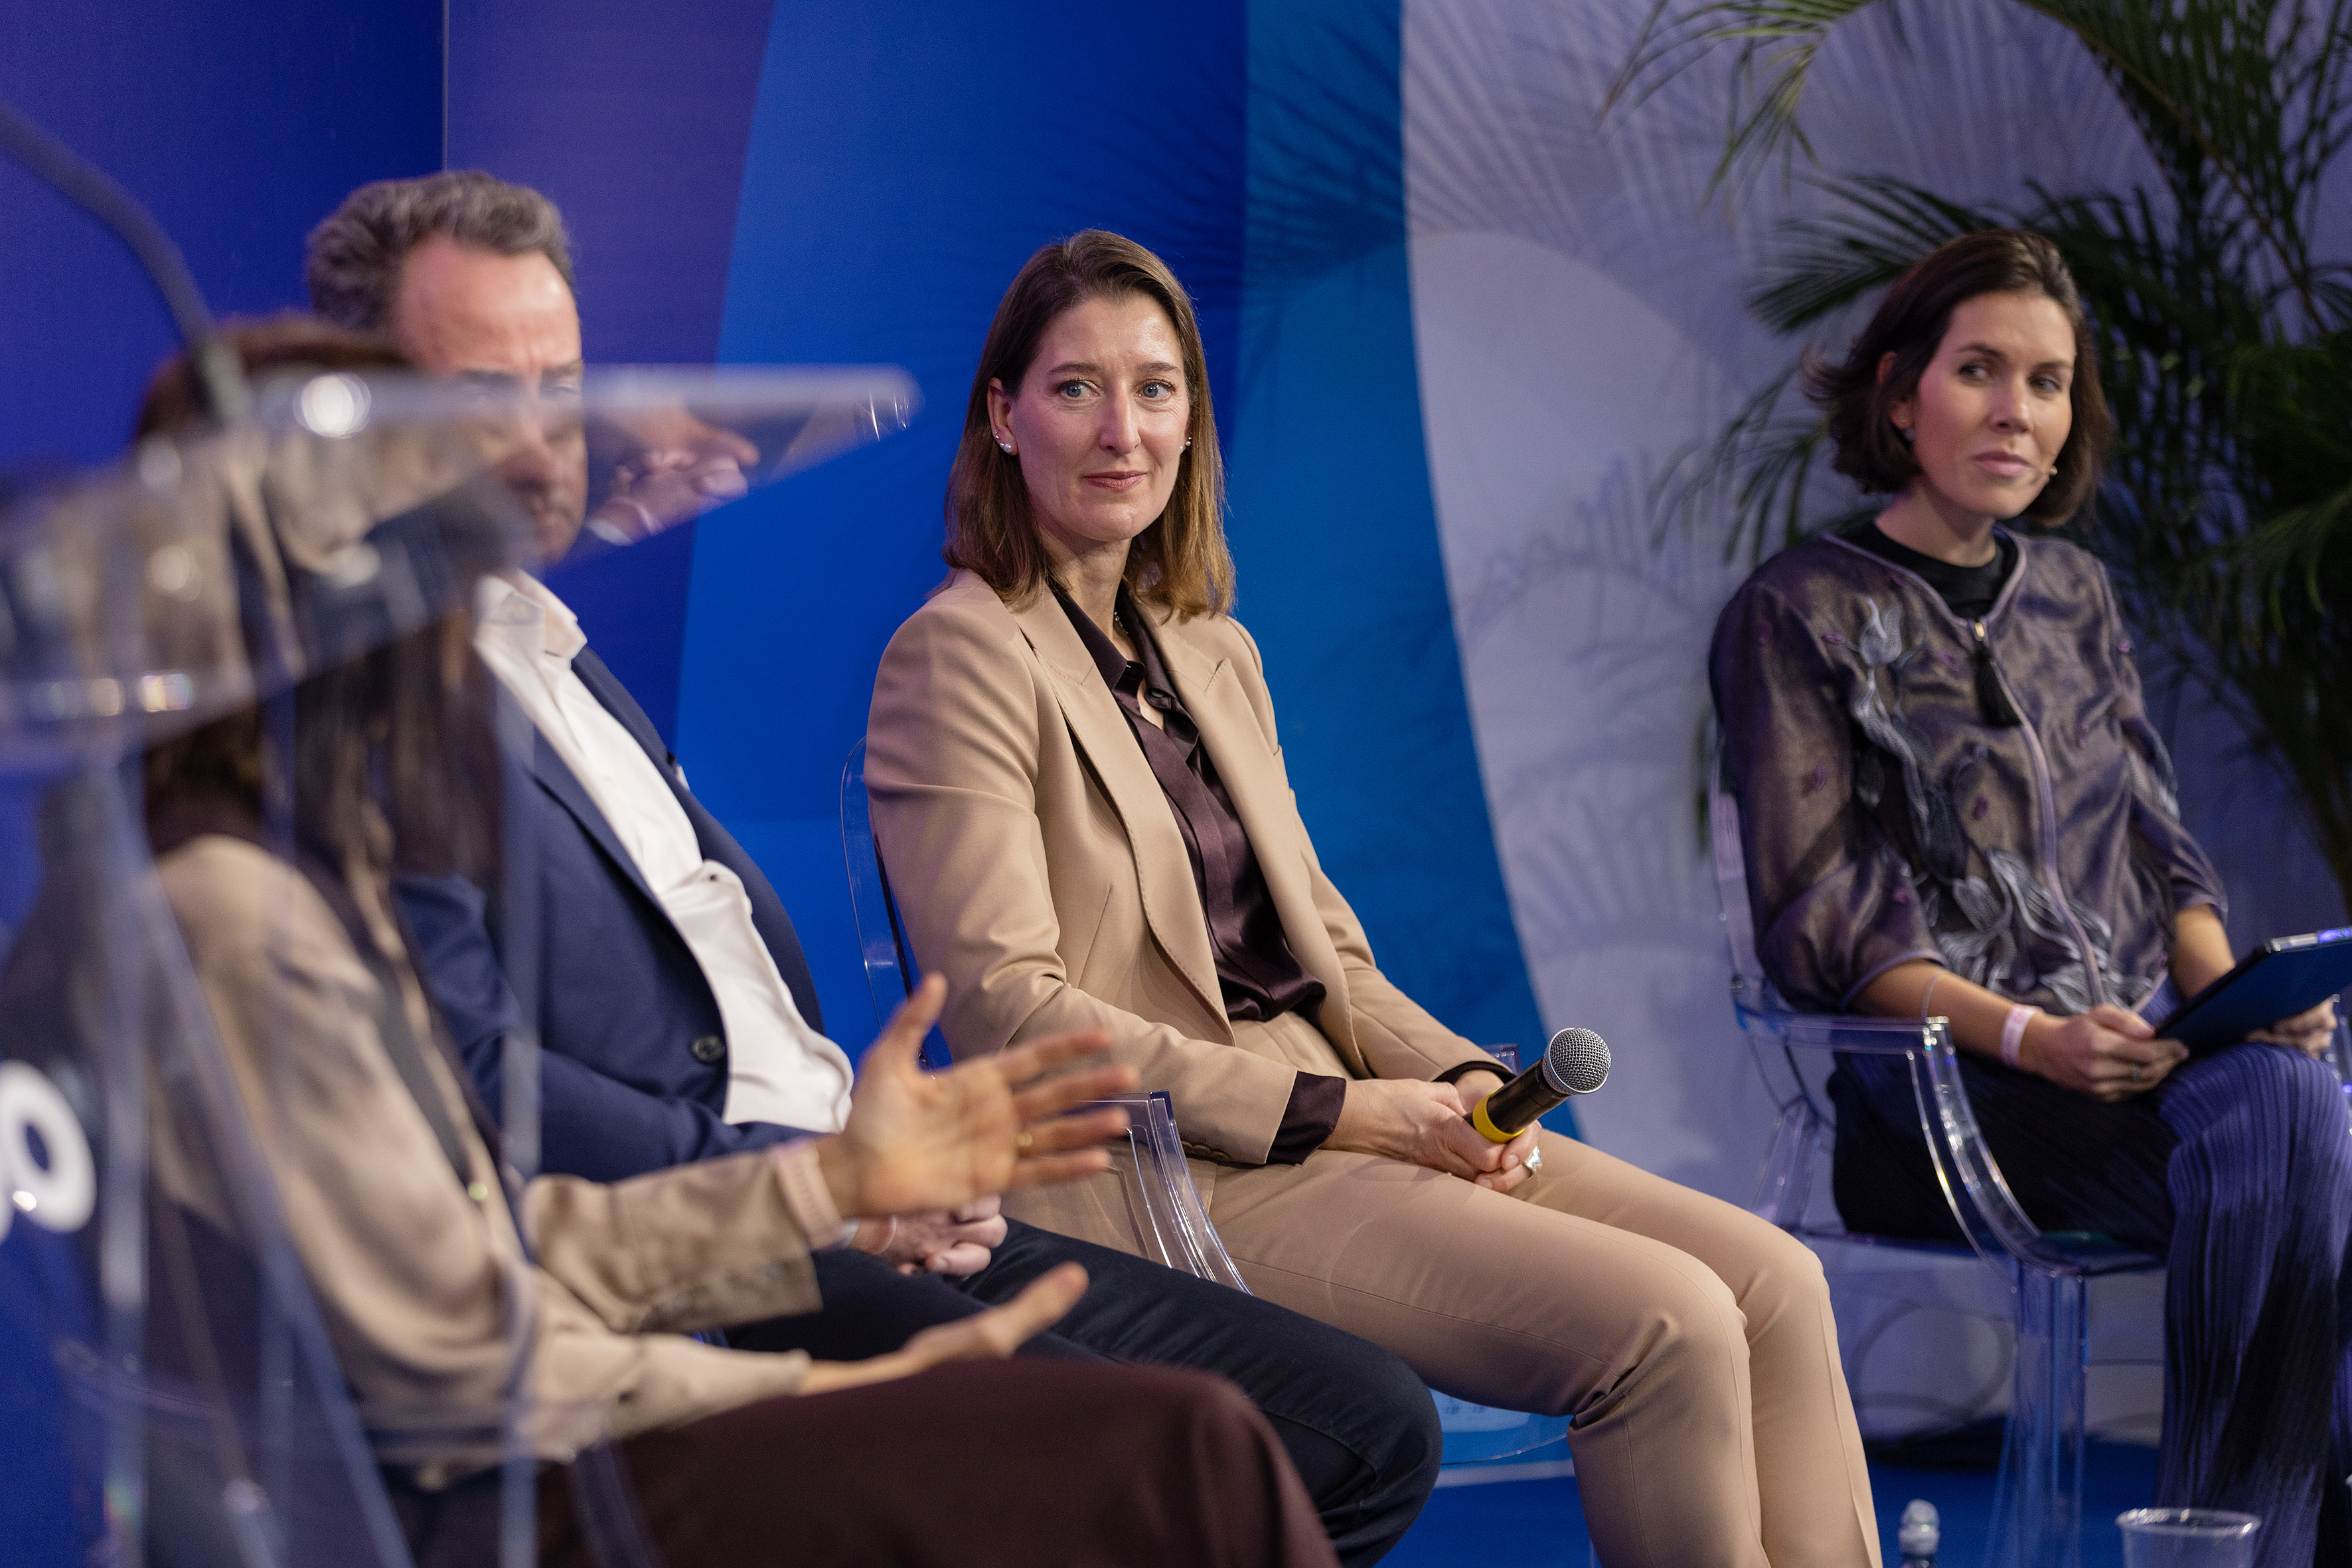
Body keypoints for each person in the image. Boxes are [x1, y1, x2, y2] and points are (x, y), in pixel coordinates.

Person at [0, 317, 1343, 1568]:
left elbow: (499, 1241)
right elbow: (461, 1364)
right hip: (498, 1498)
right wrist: (823, 1383)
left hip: (558, 1423)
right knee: (1186, 1453)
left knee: (1207, 1439)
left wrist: (826, 1187)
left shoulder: (292, 876)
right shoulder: (231, 916)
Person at [305, 173, 1442, 1563]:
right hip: (712, 1242)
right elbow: (473, 1083)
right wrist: (809, 1179)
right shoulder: (353, 692)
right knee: (1177, 1460)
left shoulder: (549, 645)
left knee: (1370, 1426)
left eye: (564, 387)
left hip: (872, 1188)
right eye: (487, 390)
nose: (544, 437)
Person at [864, 228, 1881, 1568]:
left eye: (1156, 388)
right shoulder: (957, 656)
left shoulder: (1211, 651)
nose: (1123, 429)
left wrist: (1459, 1081)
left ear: (1191, 419)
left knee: (1776, 1281)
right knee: (1669, 1322)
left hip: (1338, 1116)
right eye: (1076, 389)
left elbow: (1330, 957)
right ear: (1003, 415)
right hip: (1164, 1167)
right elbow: (1011, 1015)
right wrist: (1346, 1111)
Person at [1706, 228, 2352, 1568]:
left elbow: (2159, 844)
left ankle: (2241, 1540)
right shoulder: (1797, 610)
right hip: (1933, 1093)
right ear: (1900, 396)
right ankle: (2250, 1546)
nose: (2016, 410)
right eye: (1979, 371)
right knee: (2294, 1134)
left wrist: (2235, 999)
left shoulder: (2072, 591)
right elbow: (1823, 925)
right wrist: (2030, 1036)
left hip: (2136, 1064)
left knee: (2297, 1103)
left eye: (2047, 382)